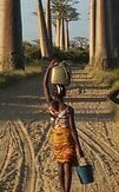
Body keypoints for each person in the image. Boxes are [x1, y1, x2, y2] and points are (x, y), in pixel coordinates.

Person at [43, 60, 85, 192]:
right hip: (67, 138)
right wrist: (79, 147)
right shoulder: (68, 109)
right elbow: (73, 130)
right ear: (64, 93)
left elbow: (44, 85)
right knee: (67, 166)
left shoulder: (51, 105)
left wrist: (49, 69)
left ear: (54, 93)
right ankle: (67, 190)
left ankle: (62, 189)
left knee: (60, 165)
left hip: (56, 138)